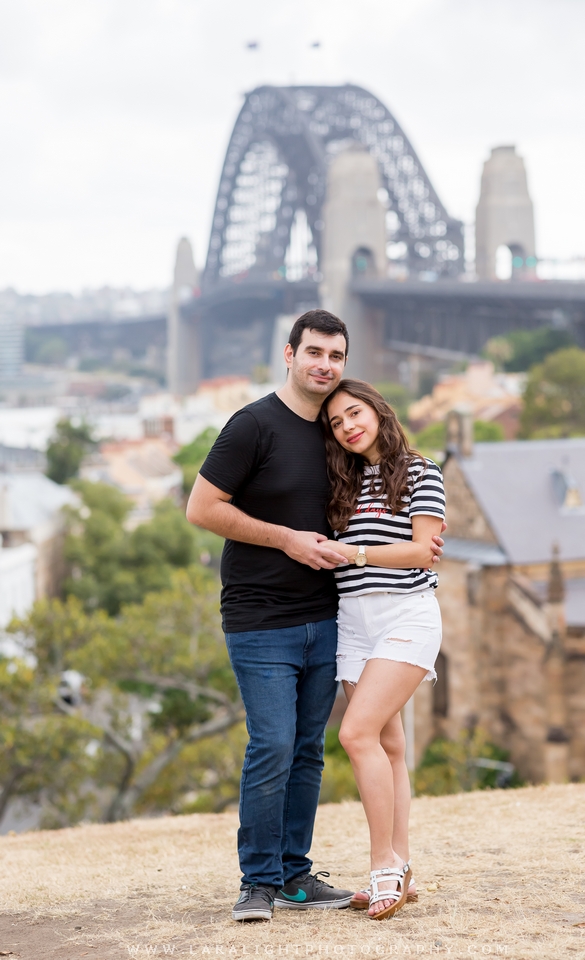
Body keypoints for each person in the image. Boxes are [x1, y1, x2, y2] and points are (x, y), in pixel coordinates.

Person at [186, 310, 445, 922]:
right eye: (314, 353)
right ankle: (259, 881)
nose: (325, 366)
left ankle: (298, 876)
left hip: (331, 617)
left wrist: (406, 549)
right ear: (289, 353)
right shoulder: (251, 426)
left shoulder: (343, 446)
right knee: (274, 745)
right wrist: (286, 540)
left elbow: (407, 526)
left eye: (336, 356)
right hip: (261, 617)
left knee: (310, 748)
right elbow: (200, 508)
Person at [319, 379, 446, 920]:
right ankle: (403, 862)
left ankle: (382, 868)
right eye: (336, 423)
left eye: (354, 412)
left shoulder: (421, 470)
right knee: (388, 745)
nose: (348, 426)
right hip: (354, 622)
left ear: (377, 410)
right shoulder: (342, 483)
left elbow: (423, 552)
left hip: (405, 617)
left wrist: (355, 552)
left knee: (355, 733)